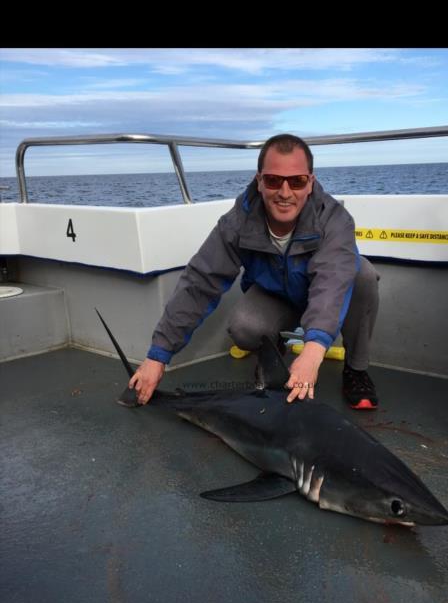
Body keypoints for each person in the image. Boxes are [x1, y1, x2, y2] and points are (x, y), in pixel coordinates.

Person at [129, 133, 379, 409]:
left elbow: (332, 284)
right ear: (259, 181)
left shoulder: (334, 220)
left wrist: (313, 351)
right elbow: (200, 281)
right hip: (276, 296)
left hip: (321, 297)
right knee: (244, 326)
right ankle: (273, 357)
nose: (285, 192)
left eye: (296, 181)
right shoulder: (238, 222)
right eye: (273, 180)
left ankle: (355, 370)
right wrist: (158, 356)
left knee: (362, 275)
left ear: (310, 183)